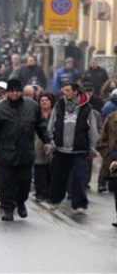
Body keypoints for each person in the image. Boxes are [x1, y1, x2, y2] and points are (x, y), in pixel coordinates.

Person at [0, 79, 53, 222]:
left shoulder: (32, 106)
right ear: (8, 92)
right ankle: (8, 208)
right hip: (6, 151)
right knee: (6, 182)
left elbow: (41, 126)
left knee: (25, 181)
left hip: (25, 151)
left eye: (17, 91)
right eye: (12, 91)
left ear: (21, 92)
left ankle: (21, 202)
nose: (15, 93)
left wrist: (47, 141)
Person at [47, 82, 99, 215]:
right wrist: (51, 143)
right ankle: (55, 201)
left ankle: (79, 205)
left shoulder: (87, 108)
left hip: (79, 150)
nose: (65, 92)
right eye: (64, 90)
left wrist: (93, 148)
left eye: (68, 90)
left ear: (76, 92)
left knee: (79, 179)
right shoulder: (59, 106)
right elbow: (51, 125)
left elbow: (92, 130)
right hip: (61, 149)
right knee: (58, 177)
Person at [33, 93, 55, 202]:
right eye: (42, 100)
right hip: (37, 143)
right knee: (39, 169)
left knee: (51, 169)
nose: (44, 102)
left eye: (47, 100)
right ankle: (40, 193)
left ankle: (50, 193)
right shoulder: (36, 114)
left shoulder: (55, 114)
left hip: (53, 144)